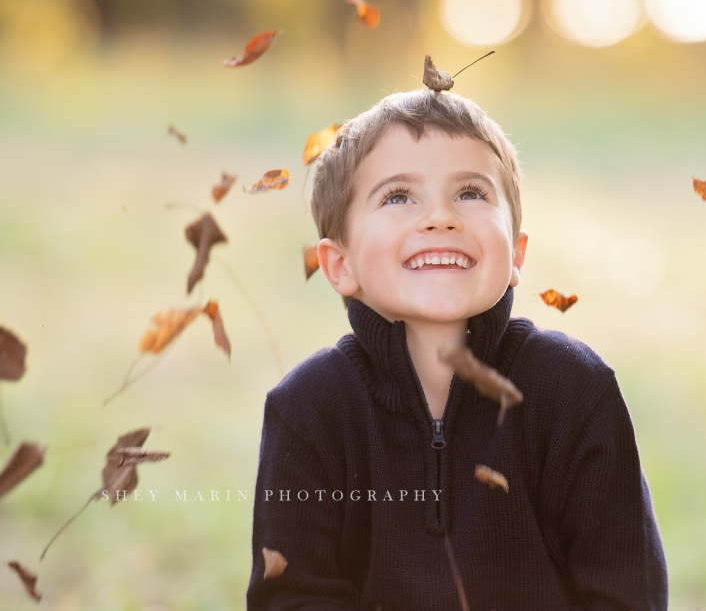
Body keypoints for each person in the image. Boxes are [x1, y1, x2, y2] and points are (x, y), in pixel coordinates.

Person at [246, 88, 669, 611]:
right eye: (398, 197)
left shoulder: (574, 390)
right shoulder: (308, 409)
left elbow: (626, 590)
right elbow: (291, 595)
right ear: (339, 265)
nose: (440, 217)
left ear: (515, 252)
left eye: (470, 192)